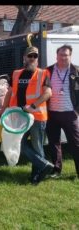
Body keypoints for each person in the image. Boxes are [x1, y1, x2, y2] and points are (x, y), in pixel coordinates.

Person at [0, 46, 54, 185]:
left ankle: (36, 176)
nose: (33, 58)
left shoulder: (43, 73)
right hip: (20, 116)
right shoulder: (16, 74)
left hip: (37, 117)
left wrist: (33, 106)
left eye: (35, 56)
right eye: (30, 56)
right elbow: (9, 93)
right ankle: (44, 165)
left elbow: (48, 93)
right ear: (24, 57)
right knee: (18, 142)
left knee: (37, 147)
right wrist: (3, 109)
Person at [46, 44, 79, 178]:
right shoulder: (48, 71)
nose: (63, 57)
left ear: (70, 56)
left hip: (70, 114)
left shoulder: (76, 71)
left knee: (76, 144)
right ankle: (56, 170)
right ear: (56, 55)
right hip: (52, 113)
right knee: (54, 143)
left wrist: (77, 111)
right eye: (61, 54)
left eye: (66, 55)